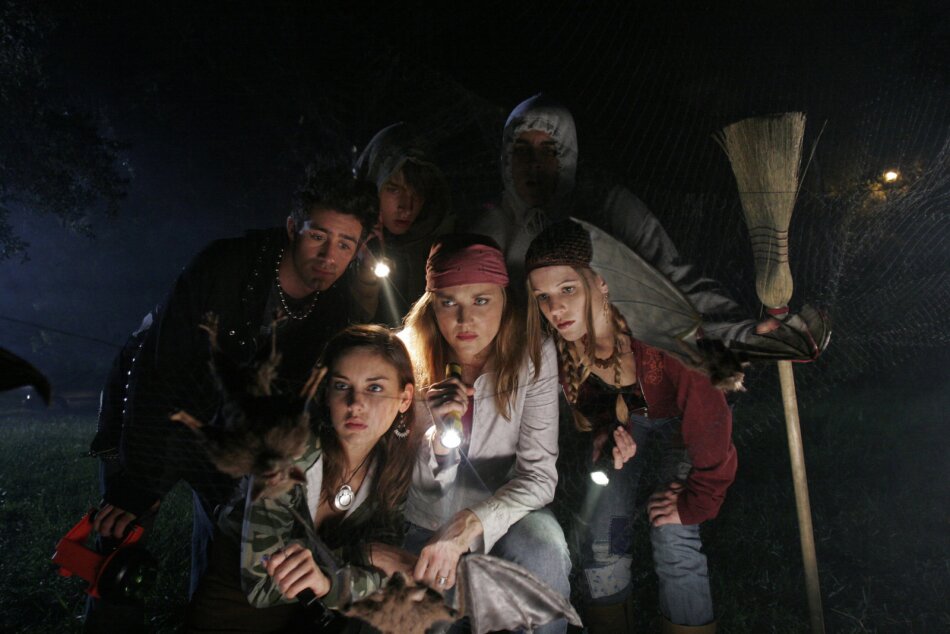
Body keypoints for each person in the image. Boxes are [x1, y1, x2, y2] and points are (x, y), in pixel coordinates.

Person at [87, 163, 378, 630]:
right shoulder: (225, 264)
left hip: (233, 434)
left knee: (225, 542)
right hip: (151, 407)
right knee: (121, 540)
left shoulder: (335, 308)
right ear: (292, 227)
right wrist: (142, 480)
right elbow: (162, 371)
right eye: (317, 236)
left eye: (345, 244)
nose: (329, 254)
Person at [468, 93, 827, 358]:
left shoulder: (608, 206)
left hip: (625, 359)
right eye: (522, 151)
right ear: (506, 158)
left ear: (567, 155)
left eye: (548, 150)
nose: (534, 164)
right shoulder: (492, 228)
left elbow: (673, 279)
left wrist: (745, 331)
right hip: (530, 369)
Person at [525, 220, 736, 634]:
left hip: (686, 423)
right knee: (603, 535)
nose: (555, 309)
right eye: (543, 297)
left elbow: (711, 428)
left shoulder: (665, 333)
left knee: (672, 531)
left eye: (567, 289)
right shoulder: (565, 348)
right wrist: (609, 435)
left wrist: (697, 501)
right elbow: (599, 411)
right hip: (635, 421)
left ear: (601, 281)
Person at [185, 324, 420, 633]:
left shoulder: (392, 472)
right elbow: (262, 586)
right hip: (230, 617)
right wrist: (362, 556)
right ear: (325, 393)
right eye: (341, 386)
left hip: (307, 623)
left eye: (374, 388)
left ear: (405, 398)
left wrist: (332, 581)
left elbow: (388, 577)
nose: (355, 403)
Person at [398, 234, 571, 634]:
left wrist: (472, 523)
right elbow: (404, 482)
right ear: (431, 305)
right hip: (427, 517)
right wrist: (439, 439)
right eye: (449, 303)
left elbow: (540, 477)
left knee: (544, 553)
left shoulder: (533, 355)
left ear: (504, 299)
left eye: (481, 300)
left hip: (506, 507)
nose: (465, 320)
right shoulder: (405, 355)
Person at [351, 123, 452, 326]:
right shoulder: (342, 243)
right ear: (373, 184)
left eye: (417, 192)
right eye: (394, 189)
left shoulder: (438, 248)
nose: (407, 207)